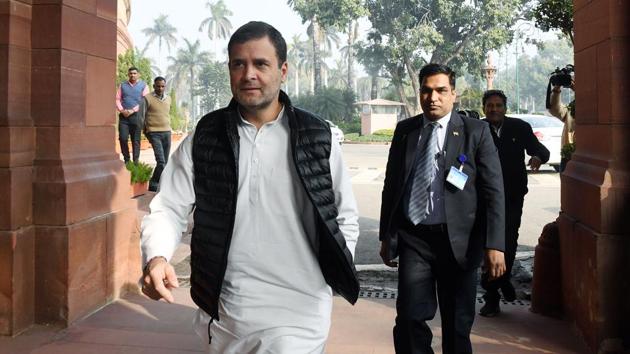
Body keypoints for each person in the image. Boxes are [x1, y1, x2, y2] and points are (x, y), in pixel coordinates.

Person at [140, 21, 360, 354]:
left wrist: (330, 275)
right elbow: (170, 206)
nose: (248, 74)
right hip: (228, 310)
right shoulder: (206, 137)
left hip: (301, 309)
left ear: (283, 70)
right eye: (238, 64)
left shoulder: (317, 136)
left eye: (260, 64)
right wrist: (156, 258)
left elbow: (344, 215)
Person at [379, 63, 506, 354]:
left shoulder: (476, 132)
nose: (432, 97)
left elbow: (494, 191)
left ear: (454, 94)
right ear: (419, 92)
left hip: (460, 243)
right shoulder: (406, 131)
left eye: (440, 90)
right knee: (410, 318)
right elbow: (392, 186)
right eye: (426, 90)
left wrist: (494, 244)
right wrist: (387, 236)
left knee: (457, 326)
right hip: (415, 239)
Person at [479, 90, 550, 317]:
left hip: (511, 197)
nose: (494, 109)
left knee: (508, 243)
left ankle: (503, 279)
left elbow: (540, 149)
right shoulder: (476, 128)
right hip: (483, 199)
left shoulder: (519, 128)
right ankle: (492, 297)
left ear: (505, 108)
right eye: (490, 106)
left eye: (498, 105)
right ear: (484, 108)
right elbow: (462, 158)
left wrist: (538, 157)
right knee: (488, 245)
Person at [140, 76, 172, 192]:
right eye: (158, 86)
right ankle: (153, 183)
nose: (160, 88)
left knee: (166, 162)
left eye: (162, 86)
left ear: (165, 87)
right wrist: (146, 132)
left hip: (167, 132)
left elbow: (167, 114)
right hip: (154, 133)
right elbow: (141, 117)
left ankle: (160, 184)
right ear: (154, 86)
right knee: (161, 161)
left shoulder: (169, 99)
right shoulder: (147, 98)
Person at [116, 66, 149, 164]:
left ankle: (135, 162)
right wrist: (122, 110)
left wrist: (132, 110)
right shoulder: (122, 85)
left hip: (137, 117)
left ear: (138, 74)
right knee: (123, 138)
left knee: (136, 140)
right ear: (128, 74)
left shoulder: (143, 86)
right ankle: (127, 160)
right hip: (124, 117)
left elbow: (144, 101)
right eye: (131, 73)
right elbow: (117, 99)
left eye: (134, 73)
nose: (132, 75)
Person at [548, 80, 575, 171]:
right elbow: (554, 109)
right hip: (568, 157)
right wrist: (556, 89)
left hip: (584, 156)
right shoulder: (572, 108)